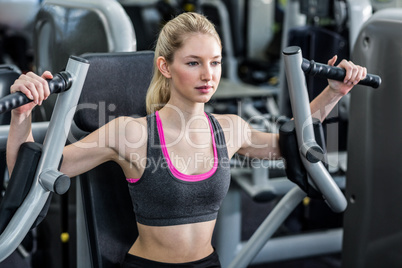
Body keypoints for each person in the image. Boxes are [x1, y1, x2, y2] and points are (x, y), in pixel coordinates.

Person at [7, 12, 366, 268]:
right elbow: (35, 174)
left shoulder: (229, 128)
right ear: (165, 67)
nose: (208, 75)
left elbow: (290, 144)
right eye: (193, 63)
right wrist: (21, 116)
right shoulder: (131, 133)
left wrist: (333, 94)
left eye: (215, 62)